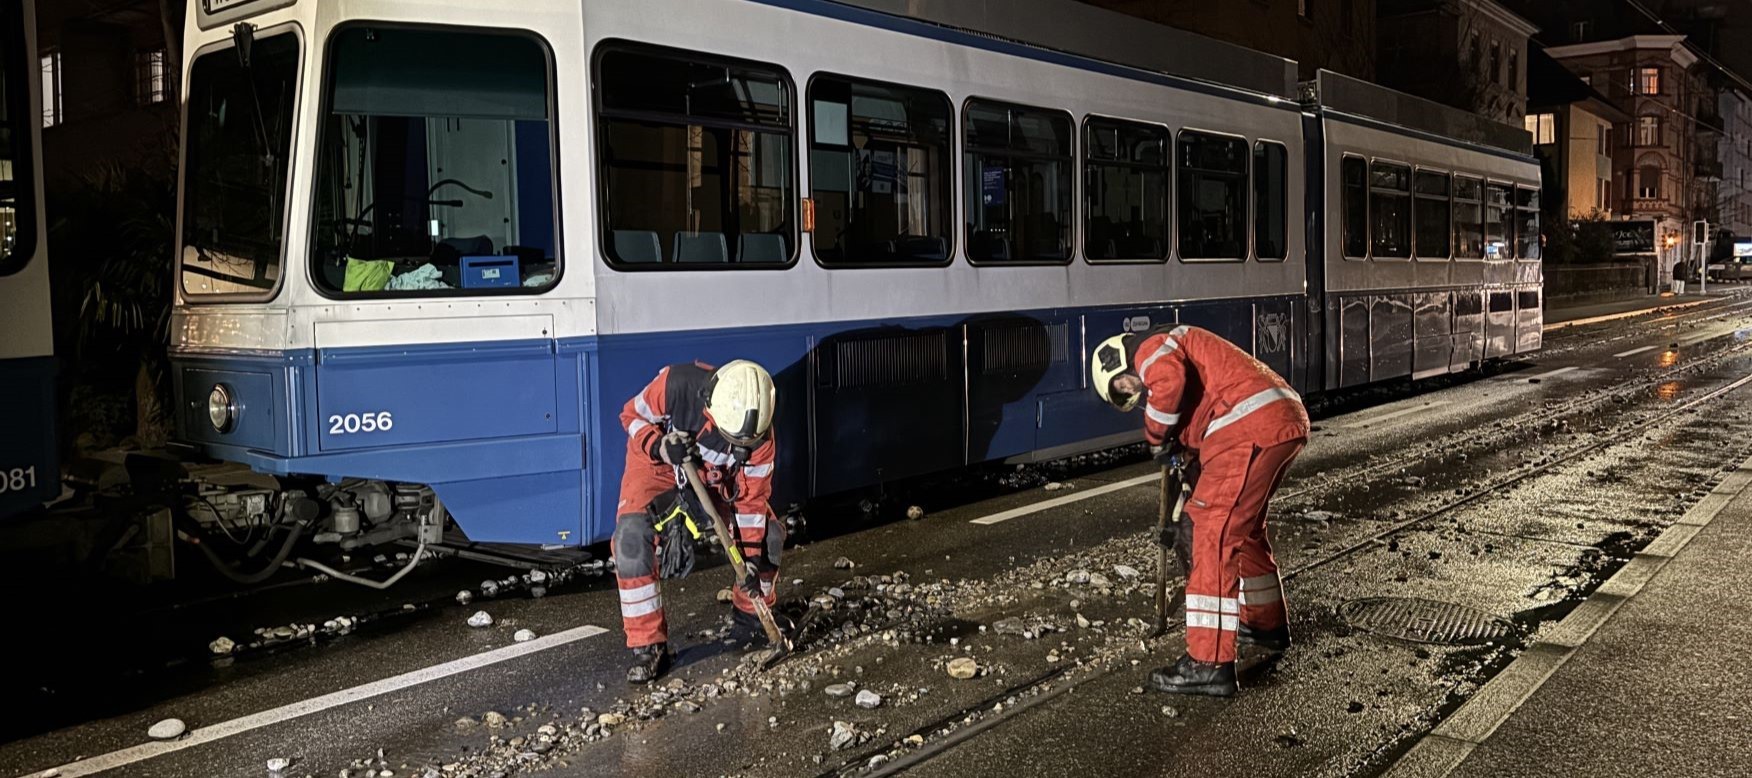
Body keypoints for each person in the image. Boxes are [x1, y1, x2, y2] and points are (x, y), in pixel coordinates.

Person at [1090, 324, 1310, 697]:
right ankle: (1264, 624)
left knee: (1213, 532)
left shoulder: (1147, 347)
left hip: (1246, 425)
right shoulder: (1183, 345)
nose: (1131, 390)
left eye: (1122, 386)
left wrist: (1156, 436)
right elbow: (1195, 411)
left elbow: (1168, 380)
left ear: (1115, 361)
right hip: (1278, 417)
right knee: (1245, 531)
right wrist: (1181, 448)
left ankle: (1208, 663)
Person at [613, 359, 782, 684]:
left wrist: (750, 560)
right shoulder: (676, 385)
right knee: (630, 539)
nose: (739, 448)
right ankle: (648, 646)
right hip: (658, 466)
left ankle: (751, 619)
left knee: (769, 537)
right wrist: (660, 446)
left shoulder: (762, 440)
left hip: (716, 478)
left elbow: (750, 503)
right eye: (732, 440)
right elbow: (630, 416)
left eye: (743, 445)